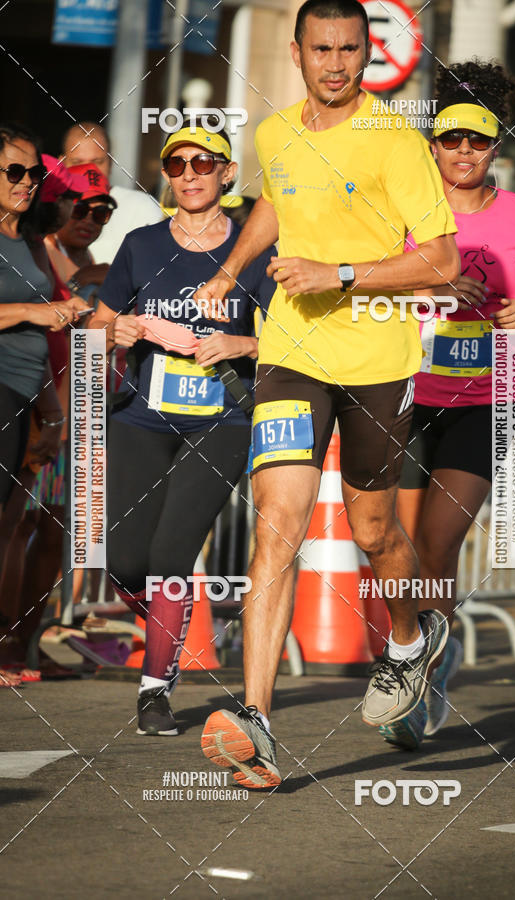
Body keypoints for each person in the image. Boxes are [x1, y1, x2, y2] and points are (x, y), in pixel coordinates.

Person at [198, 0, 459, 789]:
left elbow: (443, 259)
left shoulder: (394, 139)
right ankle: (257, 723)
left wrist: (338, 274)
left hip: (376, 356)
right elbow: (276, 201)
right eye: (323, 49)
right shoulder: (275, 131)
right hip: (290, 352)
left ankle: (412, 641)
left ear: (367, 51)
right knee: (279, 522)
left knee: (375, 530)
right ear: (298, 50)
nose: (337, 63)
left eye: (350, 49)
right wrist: (229, 269)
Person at [88, 122, 275, 735]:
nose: (190, 176)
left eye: (203, 164)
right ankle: (163, 624)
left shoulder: (255, 249)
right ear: (166, 175)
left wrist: (236, 341)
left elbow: (289, 338)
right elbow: (100, 320)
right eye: (177, 166)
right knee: (121, 559)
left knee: (171, 554)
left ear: (226, 172)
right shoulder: (141, 245)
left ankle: (154, 687)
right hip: (142, 417)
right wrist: (114, 330)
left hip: (220, 421)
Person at [396, 61, 515, 745]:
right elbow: (374, 286)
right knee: (394, 547)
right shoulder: (408, 206)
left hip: (483, 399)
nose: (463, 153)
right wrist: (427, 288)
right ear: (434, 144)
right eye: (451, 140)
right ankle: (416, 656)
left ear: (496, 147)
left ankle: (424, 682)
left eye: (477, 142)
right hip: (402, 393)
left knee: (437, 545)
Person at [0, 125, 83, 683]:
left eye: (34, 173)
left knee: (11, 527)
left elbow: (56, 319)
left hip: (30, 393)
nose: (27, 183)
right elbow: (36, 316)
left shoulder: (27, 239)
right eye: (15, 171)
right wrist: (31, 313)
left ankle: (7, 640)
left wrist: (53, 409)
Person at [61, 122, 163, 264]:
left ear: (110, 162)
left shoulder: (143, 207)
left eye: (101, 213)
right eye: (79, 210)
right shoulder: (46, 210)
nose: (89, 169)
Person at [45, 163, 116, 304]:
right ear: (61, 206)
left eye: (100, 213)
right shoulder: (42, 249)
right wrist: (79, 280)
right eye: (80, 209)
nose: (89, 220)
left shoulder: (86, 255)